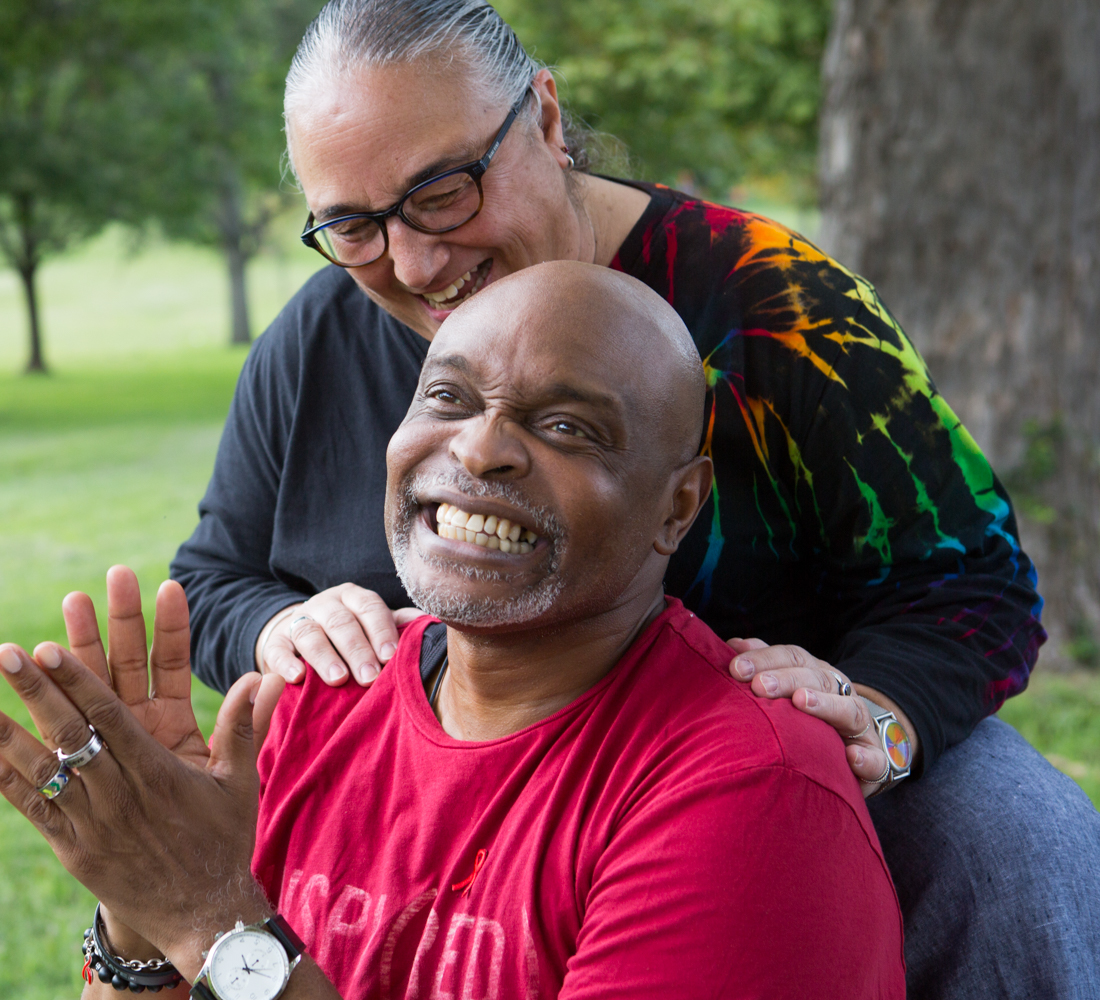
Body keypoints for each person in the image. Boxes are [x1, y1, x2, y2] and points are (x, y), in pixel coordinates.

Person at [168, 1, 1100, 995]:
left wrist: (880, 714)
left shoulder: (778, 311)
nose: (414, 264)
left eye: (441, 193)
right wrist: (282, 625)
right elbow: (216, 577)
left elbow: (979, 583)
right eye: (353, 225)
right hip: (451, 823)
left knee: (1001, 825)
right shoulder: (317, 340)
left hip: (756, 789)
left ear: (547, 118)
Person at [0, 262, 905, 998]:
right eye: (448, 399)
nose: (482, 448)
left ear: (678, 504)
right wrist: (143, 899)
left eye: (569, 427)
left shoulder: (747, 791)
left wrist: (211, 916)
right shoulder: (318, 705)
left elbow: (217, 926)